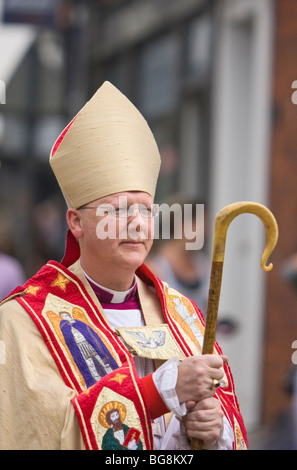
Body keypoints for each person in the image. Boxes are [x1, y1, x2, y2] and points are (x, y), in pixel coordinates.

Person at [0, 81, 247, 450]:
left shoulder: (185, 316)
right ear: (76, 222)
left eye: (145, 210)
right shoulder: (23, 321)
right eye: (117, 209)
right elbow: (38, 431)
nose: (136, 223)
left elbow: (221, 417)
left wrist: (213, 433)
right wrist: (157, 392)